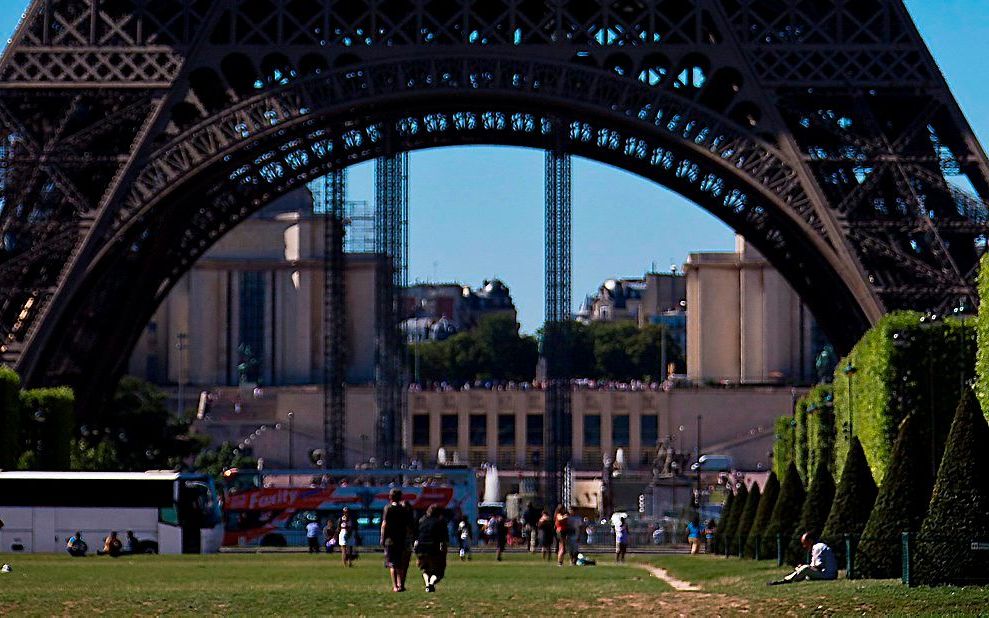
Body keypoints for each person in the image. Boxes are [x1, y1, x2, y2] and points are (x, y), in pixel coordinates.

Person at [768, 532, 838, 585]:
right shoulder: (818, 546)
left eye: (805, 543)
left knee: (805, 569)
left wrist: (803, 568)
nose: (804, 546)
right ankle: (790, 578)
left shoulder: (817, 548)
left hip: (828, 575)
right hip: (829, 574)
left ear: (810, 541)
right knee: (804, 572)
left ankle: (786, 580)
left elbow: (818, 567)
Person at [381, 488, 414, 592]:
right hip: (402, 538)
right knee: (401, 563)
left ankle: (395, 586)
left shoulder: (388, 508)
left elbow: (384, 524)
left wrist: (382, 538)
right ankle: (402, 584)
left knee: (392, 564)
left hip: (391, 539)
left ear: (390, 497)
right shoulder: (404, 509)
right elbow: (408, 526)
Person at [414, 504, 449, 593]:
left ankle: (427, 585)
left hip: (421, 548)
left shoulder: (422, 520)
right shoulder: (440, 522)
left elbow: (416, 534)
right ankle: (431, 583)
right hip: (433, 548)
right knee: (438, 572)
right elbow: (444, 539)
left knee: (425, 569)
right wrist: (444, 553)